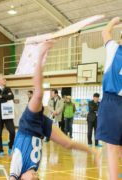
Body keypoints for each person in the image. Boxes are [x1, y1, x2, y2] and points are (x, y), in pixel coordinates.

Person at [10, 40, 99, 180]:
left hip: (28, 126)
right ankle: (93, 151)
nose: (35, 176)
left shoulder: (16, 169)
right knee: (68, 143)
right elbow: (33, 175)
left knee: (38, 93)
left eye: (32, 179)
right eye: (37, 178)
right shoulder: (33, 170)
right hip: (40, 130)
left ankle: (40, 55)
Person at [96, 17, 122, 180]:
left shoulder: (114, 48)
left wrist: (114, 21)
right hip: (114, 101)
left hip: (112, 102)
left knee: (112, 148)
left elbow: (104, 32)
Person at [0, 73, 15, 156]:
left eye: (5, 79)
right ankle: (0, 150)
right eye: (3, 79)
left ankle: (10, 146)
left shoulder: (8, 89)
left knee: (12, 131)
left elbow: (12, 97)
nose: (5, 80)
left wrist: (1, 97)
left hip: (8, 114)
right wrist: (5, 98)